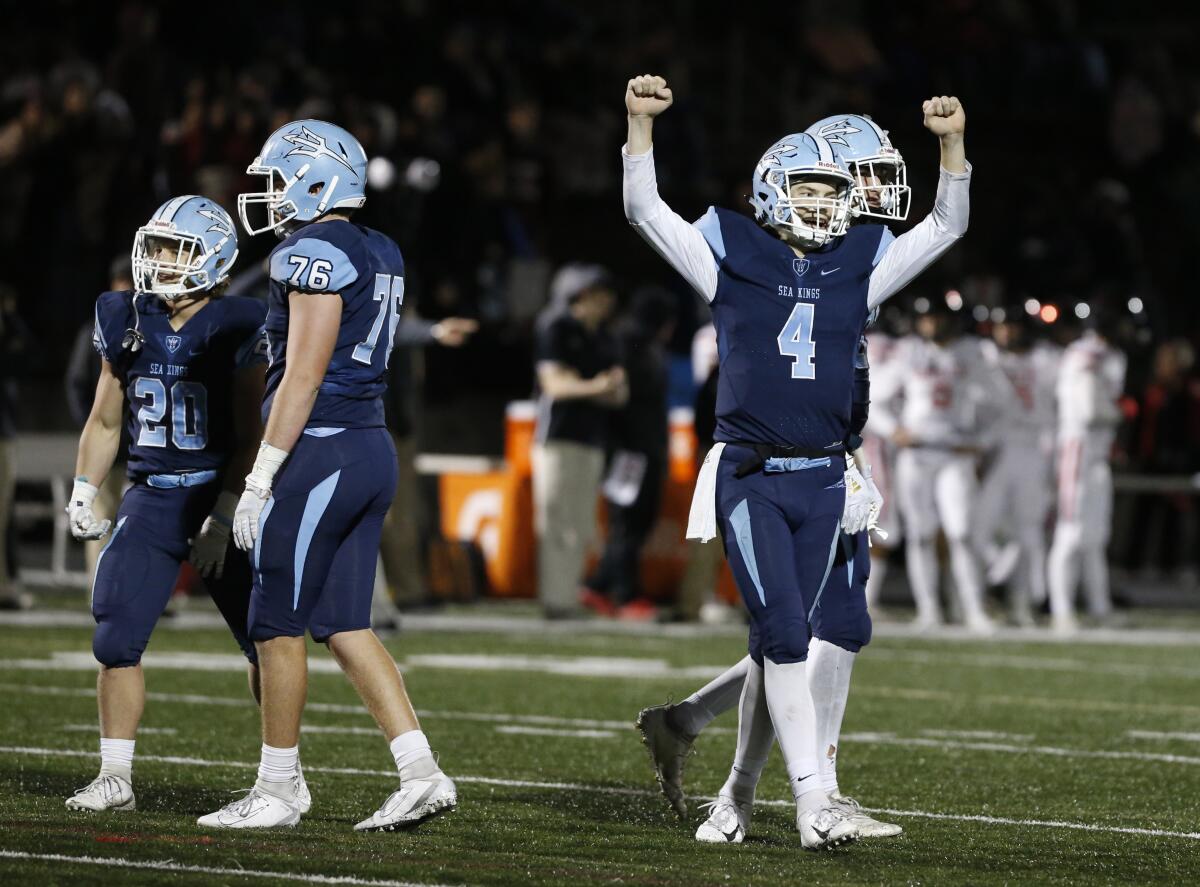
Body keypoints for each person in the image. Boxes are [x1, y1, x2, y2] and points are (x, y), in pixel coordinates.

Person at [622, 74, 970, 848]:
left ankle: (725, 768)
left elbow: (946, 224)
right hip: (757, 465)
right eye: (853, 178)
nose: (856, 196)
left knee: (815, 626)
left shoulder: (859, 258)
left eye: (845, 185)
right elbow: (646, 211)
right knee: (796, 628)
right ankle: (814, 793)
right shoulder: (734, 249)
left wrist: (952, 148)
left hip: (830, 465)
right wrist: (641, 132)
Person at [200, 119, 455, 830]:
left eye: (279, 179)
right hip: (369, 445)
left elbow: (303, 374)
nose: (271, 194)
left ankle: (278, 788)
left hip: (320, 449)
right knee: (344, 623)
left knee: (274, 624)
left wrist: (258, 478)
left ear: (317, 180)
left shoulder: (309, 251)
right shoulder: (379, 246)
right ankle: (420, 771)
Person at [63, 196, 269, 812]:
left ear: (215, 259)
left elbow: (252, 428)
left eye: (172, 250)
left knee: (267, 640)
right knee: (115, 636)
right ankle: (115, 777)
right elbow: (105, 418)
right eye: (152, 246)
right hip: (150, 497)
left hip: (215, 491)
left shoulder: (239, 321)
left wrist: (228, 509)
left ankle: (277, 776)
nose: (156, 261)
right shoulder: (123, 314)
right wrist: (82, 487)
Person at [870, 299, 1004, 631]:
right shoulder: (908, 352)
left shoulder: (972, 352)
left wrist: (981, 441)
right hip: (916, 452)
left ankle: (972, 609)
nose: (932, 324)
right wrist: (892, 430)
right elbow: (872, 399)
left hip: (954, 451)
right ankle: (928, 609)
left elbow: (1002, 403)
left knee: (960, 531)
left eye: (938, 318)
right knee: (921, 534)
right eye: (928, 318)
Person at [533, 263, 628, 619]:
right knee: (555, 520)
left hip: (592, 438)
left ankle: (567, 596)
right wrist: (596, 387)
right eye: (597, 295)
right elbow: (555, 386)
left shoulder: (606, 337)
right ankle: (554, 599)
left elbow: (619, 394)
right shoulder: (556, 327)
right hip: (556, 437)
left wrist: (586, 387)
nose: (605, 303)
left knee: (581, 523)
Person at [584, 286, 674, 620]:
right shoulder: (631, 345)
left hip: (633, 448)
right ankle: (623, 592)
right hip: (630, 450)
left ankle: (601, 584)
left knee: (632, 521)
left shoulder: (629, 341)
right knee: (628, 521)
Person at [976, 312, 1060, 623]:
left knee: (1028, 529)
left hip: (1033, 449)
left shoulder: (1047, 360)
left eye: (1011, 326)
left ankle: (1022, 600)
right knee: (980, 529)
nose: (1006, 333)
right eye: (1002, 327)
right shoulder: (988, 357)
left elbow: (1056, 410)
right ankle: (992, 584)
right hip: (997, 449)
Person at [1047, 316, 1126, 633]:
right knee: (1071, 532)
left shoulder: (1105, 355)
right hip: (1077, 450)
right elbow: (1091, 410)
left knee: (1095, 536)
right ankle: (1061, 609)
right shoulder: (1085, 354)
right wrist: (1116, 413)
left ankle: (1098, 605)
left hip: (1096, 454)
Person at [65, 256, 135, 584]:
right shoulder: (98, 328)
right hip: (110, 441)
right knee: (99, 516)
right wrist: (89, 425)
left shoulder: (146, 326)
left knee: (134, 521)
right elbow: (77, 382)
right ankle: (100, 586)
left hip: (137, 445)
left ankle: (133, 588)